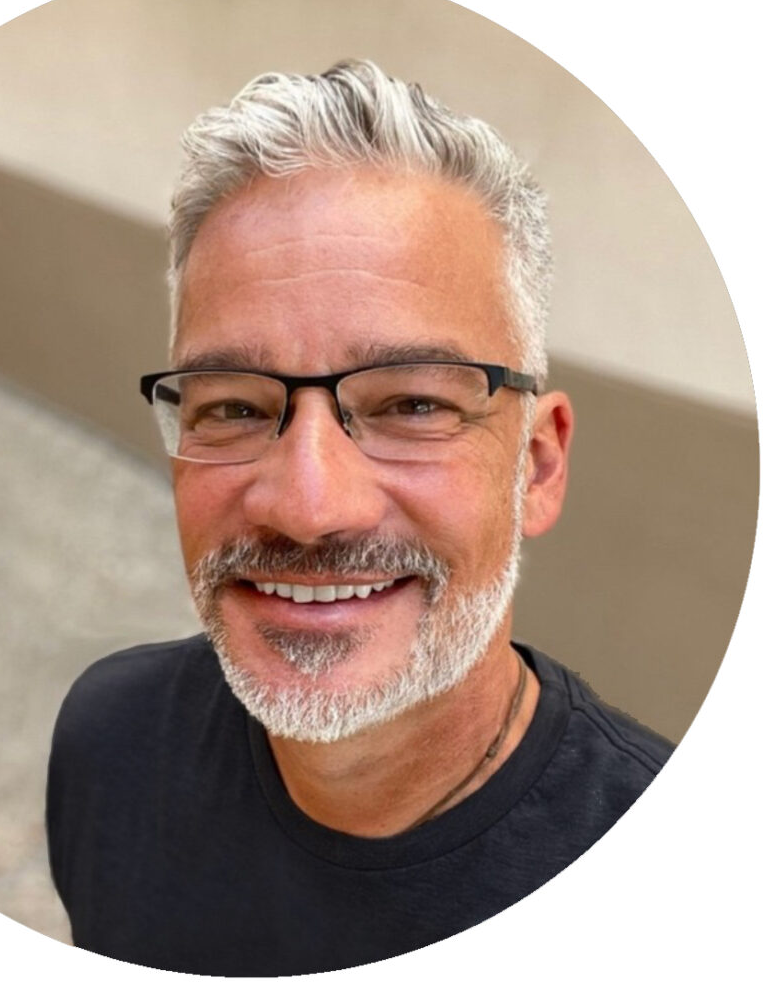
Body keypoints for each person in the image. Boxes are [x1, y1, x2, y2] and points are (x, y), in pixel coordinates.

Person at [45, 59, 673, 975]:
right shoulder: (110, 742)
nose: (308, 507)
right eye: (235, 406)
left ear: (537, 463)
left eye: (412, 405)